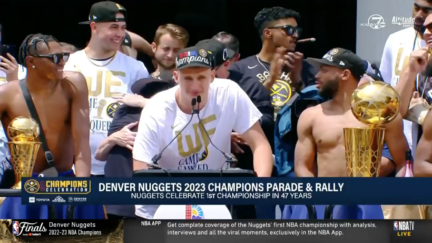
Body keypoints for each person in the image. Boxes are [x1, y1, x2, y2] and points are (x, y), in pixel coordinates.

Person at [132, 45, 274, 219]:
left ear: (213, 76)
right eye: (188, 78)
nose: (195, 86)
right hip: (166, 199)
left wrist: (260, 187)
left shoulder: (230, 93)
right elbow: (141, 165)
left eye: (201, 77)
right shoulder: (156, 109)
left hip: (219, 197)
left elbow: (260, 145)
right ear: (176, 77)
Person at [0, 33, 105, 219]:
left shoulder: (74, 84)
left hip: (66, 181)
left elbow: (82, 142)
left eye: (65, 56)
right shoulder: (6, 94)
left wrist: (82, 187)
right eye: (55, 58)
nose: (62, 62)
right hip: (25, 187)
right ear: (31, 61)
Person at [65, 1, 150, 177]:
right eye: (113, 27)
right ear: (94, 27)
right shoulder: (70, 63)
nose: (120, 34)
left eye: (123, 27)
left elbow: (152, 115)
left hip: (119, 165)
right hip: (74, 165)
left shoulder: (136, 68)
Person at [295, 48, 408, 178]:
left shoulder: (381, 114)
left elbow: (403, 163)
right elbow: (302, 167)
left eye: (324, 70)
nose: (317, 75)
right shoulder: (310, 116)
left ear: (345, 75)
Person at [101, 77, 176, 219]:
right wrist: (112, 139)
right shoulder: (127, 114)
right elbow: (100, 154)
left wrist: (143, 103)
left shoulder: (164, 114)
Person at [228, 7, 317, 118]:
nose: (295, 35)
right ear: (268, 33)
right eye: (289, 29)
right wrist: (271, 80)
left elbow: (315, 109)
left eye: (297, 30)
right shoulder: (239, 70)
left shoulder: (307, 68)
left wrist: (297, 80)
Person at [380, 0, 432, 153]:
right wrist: (410, 71)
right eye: (416, 8)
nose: (418, 15)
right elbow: (393, 105)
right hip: (411, 140)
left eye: (426, 10)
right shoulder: (396, 40)